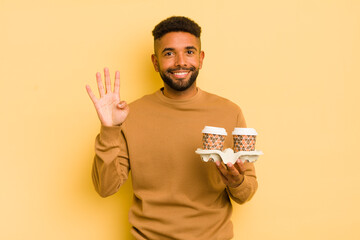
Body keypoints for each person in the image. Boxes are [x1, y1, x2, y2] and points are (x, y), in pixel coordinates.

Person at [86, 16, 258, 240]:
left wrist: (237, 182)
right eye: (169, 53)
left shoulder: (229, 112)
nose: (180, 62)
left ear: (201, 58)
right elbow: (105, 188)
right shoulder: (129, 114)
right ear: (155, 62)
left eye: (189, 51)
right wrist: (109, 128)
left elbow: (246, 192)